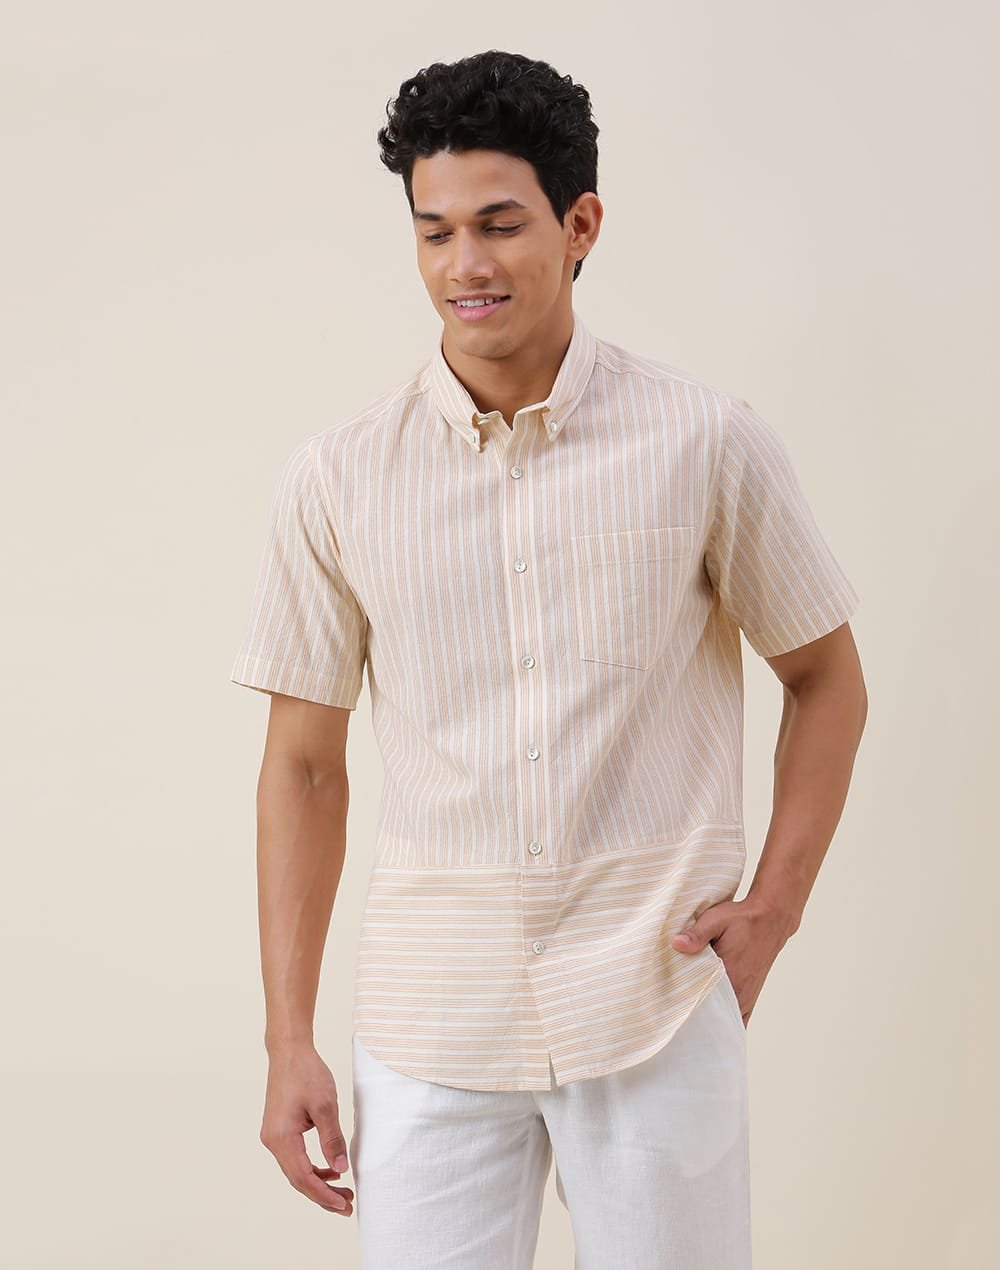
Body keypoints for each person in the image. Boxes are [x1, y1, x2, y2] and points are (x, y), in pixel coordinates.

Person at [230, 48, 867, 1270]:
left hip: (654, 995)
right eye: (434, 232)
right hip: (431, 1017)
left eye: (499, 224)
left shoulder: (704, 441)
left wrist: (776, 905)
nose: (462, 265)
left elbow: (825, 675)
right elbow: (302, 766)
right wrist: (286, 1039)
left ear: (579, 226)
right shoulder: (338, 478)